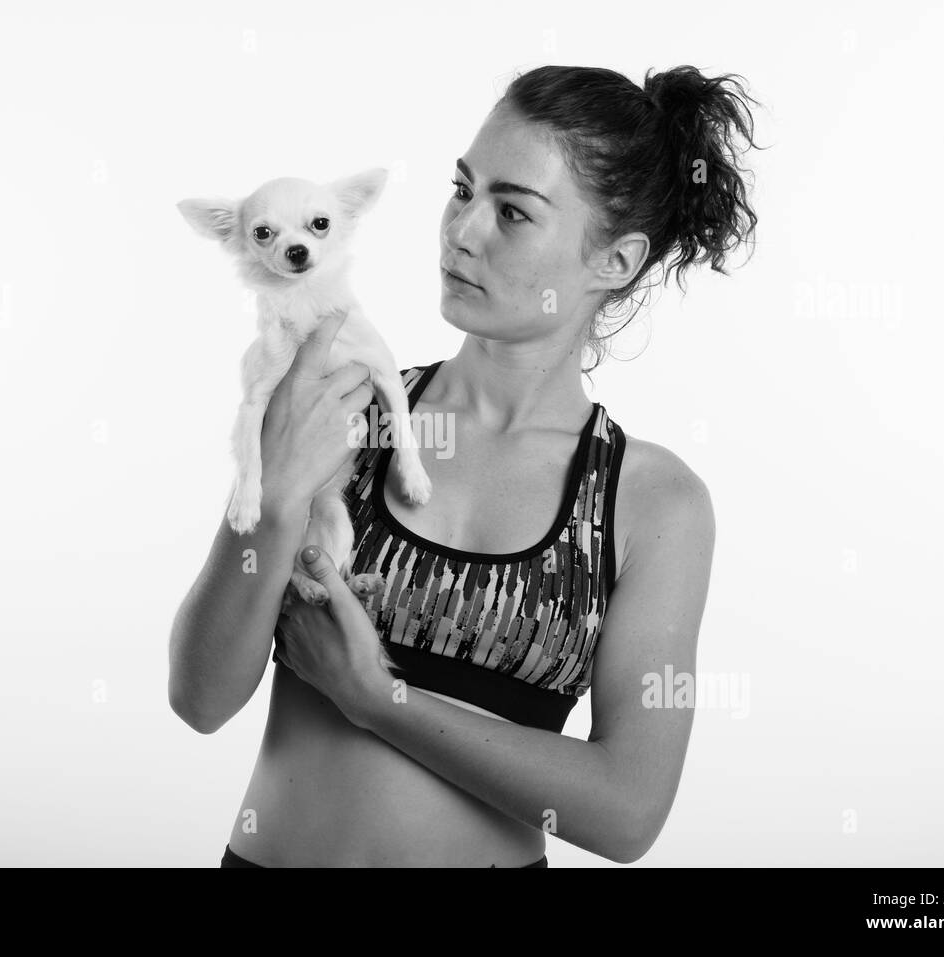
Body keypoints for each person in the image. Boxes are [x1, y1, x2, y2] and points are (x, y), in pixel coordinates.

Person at [169, 63, 760, 867]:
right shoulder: (344, 406)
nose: (461, 229)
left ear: (616, 261)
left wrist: (380, 699)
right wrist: (274, 503)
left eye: (512, 211)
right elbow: (199, 698)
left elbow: (627, 812)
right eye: (461, 188)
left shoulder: (649, 502)